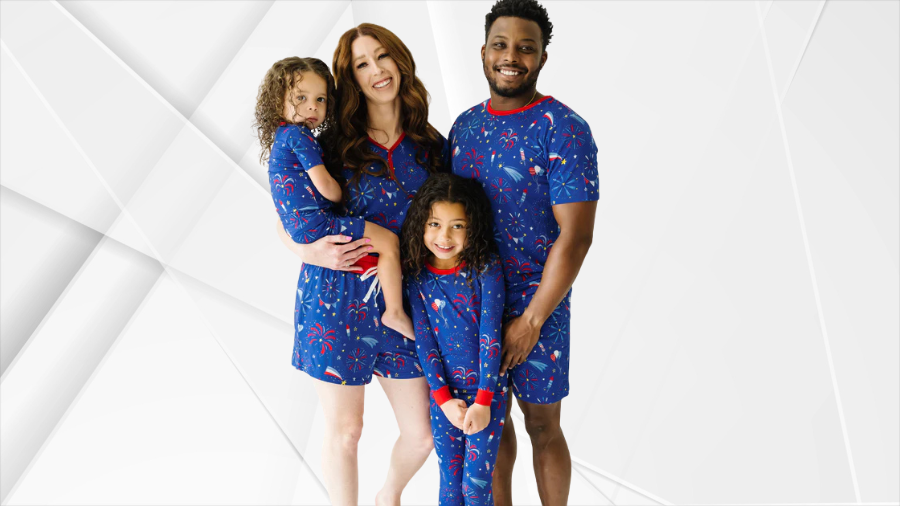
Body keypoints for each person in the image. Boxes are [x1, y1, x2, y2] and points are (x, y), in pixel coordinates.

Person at [274, 24, 449, 506]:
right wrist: (308, 251)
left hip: (403, 304)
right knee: (346, 432)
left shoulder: (432, 147)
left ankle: (386, 496)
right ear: (349, 77)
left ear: (400, 61)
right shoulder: (328, 144)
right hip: (334, 301)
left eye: (382, 57)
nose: (376, 70)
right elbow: (285, 216)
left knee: (423, 434)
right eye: (361, 64)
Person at [448, 0, 599, 504]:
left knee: (542, 424)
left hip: (540, 305)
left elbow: (575, 237)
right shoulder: (464, 127)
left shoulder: (565, 128)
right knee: (488, 423)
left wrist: (532, 320)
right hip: (471, 303)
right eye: (501, 45)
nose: (511, 57)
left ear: (542, 58)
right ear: (484, 51)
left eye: (525, 48)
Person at [256, 56, 414, 340]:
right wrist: (334, 196)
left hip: (308, 231)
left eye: (320, 99)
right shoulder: (304, 138)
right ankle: (395, 312)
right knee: (389, 241)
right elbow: (325, 189)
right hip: (327, 264)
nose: (312, 107)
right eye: (301, 98)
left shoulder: (283, 136)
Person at [401, 173, 507, 505]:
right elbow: (425, 342)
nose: (444, 236)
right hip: (443, 398)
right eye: (434, 223)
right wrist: (444, 399)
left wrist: (484, 400)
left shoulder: (485, 268)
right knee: (449, 485)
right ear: (421, 223)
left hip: (486, 393)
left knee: (474, 488)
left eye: (457, 225)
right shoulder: (417, 277)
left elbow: (491, 334)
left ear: (472, 227)